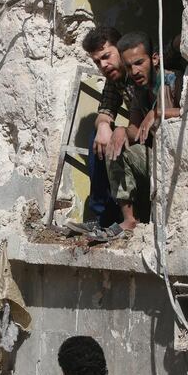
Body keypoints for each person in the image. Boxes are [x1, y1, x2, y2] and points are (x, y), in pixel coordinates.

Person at [91, 31, 183, 240]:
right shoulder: (140, 90)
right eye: (129, 66)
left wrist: (158, 112)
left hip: (179, 162)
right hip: (155, 157)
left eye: (139, 62)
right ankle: (129, 219)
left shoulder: (173, 79)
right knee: (115, 150)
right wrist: (121, 131)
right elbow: (134, 128)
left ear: (154, 58)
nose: (135, 70)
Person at [68, 26, 136, 234]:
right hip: (136, 135)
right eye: (97, 61)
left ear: (121, 48)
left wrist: (122, 130)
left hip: (153, 140)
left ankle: (123, 218)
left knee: (114, 137)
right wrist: (104, 125)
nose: (103, 65)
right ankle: (101, 218)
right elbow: (105, 110)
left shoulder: (139, 69)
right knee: (96, 137)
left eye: (106, 56)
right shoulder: (115, 79)